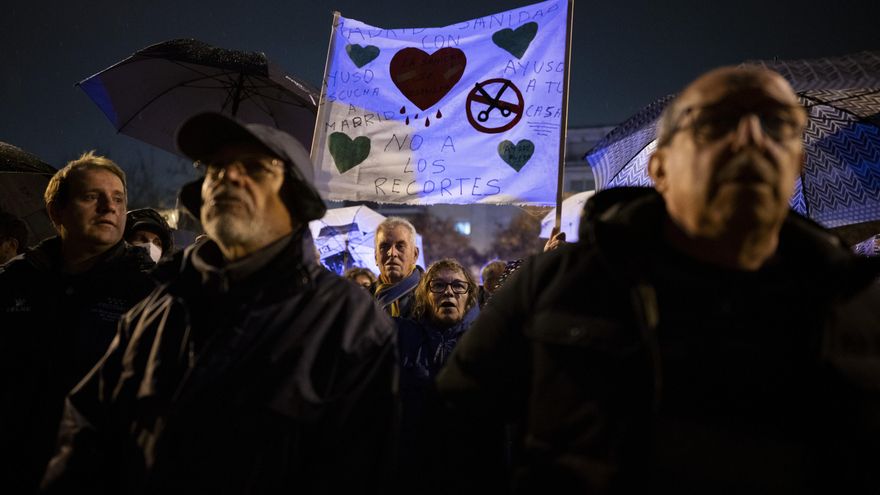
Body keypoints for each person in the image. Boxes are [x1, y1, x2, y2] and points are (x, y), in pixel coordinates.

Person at [436, 66, 880, 494]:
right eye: (716, 123)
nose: (750, 140)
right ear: (660, 168)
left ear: (797, 163)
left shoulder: (857, 301)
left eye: (777, 124)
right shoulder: (557, 285)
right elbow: (460, 421)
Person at [40, 113, 398, 493]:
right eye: (218, 168)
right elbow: (88, 433)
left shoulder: (347, 320)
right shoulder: (156, 308)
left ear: (295, 200)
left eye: (255, 167)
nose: (228, 176)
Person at [0, 151, 155, 493]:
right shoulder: (16, 279)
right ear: (57, 211)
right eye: (91, 197)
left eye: (118, 199)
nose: (110, 207)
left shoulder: (151, 291)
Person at [394, 259, 479, 494]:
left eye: (458, 286)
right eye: (438, 285)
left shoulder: (485, 342)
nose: (449, 291)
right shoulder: (402, 335)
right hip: (412, 468)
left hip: (470, 469)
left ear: (470, 294)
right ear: (424, 295)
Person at [373, 216, 422, 317]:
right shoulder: (363, 299)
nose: (392, 253)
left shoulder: (431, 295)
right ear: (375, 257)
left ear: (415, 254)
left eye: (400, 246)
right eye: (384, 247)